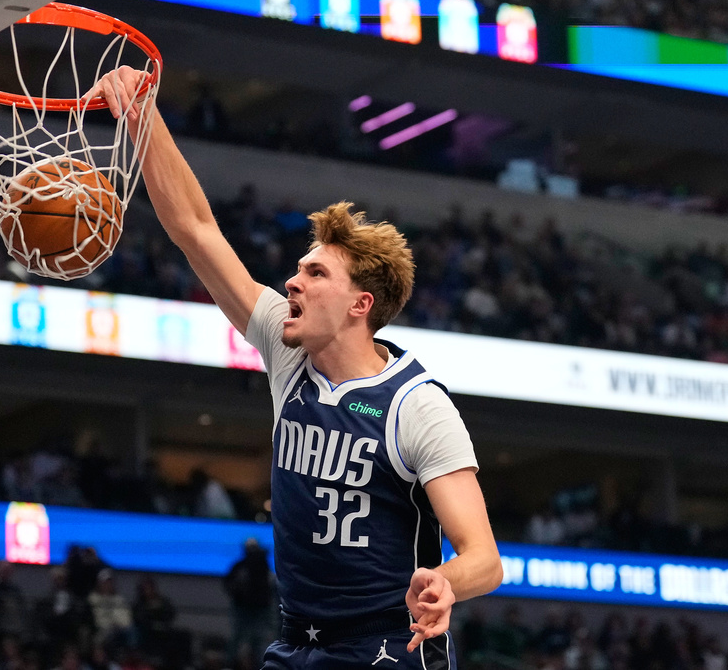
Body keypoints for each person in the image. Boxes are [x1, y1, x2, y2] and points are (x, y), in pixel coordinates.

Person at [88, 68, 503, 668]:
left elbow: (484, 556)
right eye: (298, 269)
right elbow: (196, 231)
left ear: (361, 305)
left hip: (386, 647)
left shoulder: (417, 405)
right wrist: (142, 115)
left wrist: (447, 584)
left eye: (315, 274)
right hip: (296, 643)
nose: (292, 280)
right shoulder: (288, 351)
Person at [224, 538, 275, 669]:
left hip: (258, 610)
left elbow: (270, 586)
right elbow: (229, 584)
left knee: (256, 640)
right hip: (245, 608)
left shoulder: (261, 566)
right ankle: (230, 664)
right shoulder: (242, 566)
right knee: (240, 638)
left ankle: (257, 665)